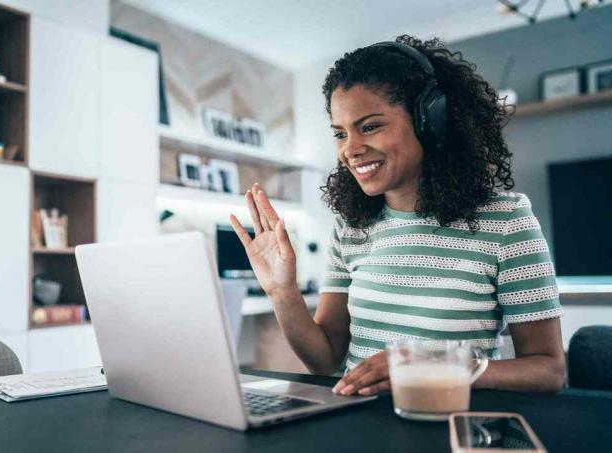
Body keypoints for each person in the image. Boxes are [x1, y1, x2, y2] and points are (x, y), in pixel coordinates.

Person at [229, 35, 566, 396]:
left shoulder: (506, 221)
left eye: (370, 126)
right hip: (356, 421)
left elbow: (548, 370)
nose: (350, 150)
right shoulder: (351, 228)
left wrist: (435, 368)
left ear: (430, 121)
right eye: (340, 134)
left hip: (445, 421)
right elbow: (325, 361)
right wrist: (282, 293)